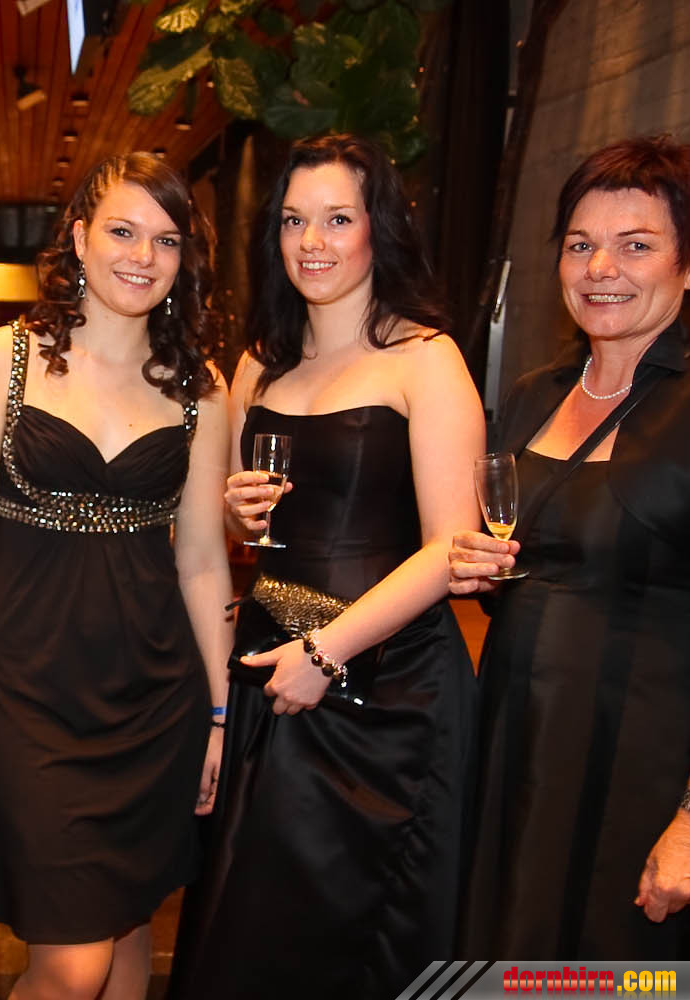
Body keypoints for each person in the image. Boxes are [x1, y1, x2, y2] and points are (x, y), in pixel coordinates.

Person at [450, 136, 690, 959]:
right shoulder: (534, 395)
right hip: (509, 749)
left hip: (635, 775)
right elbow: (548, 570)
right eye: (580, 245)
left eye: (636, 245)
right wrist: (483, 571)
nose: (601, 268)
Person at [168, 134, 483, 999]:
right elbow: (247, 530)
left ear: (379, 227)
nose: (312, 241)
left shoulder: (427, 358)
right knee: (255, 923)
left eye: (338, 219)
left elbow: (451, 546)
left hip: (385, 684)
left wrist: (326, 650)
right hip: (273, 665)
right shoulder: (258, 363)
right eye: (293, 220)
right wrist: (238, 513)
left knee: (357, 931)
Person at [0, 152, 232, 999]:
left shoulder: (200, 387)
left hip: (156, 693)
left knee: (130, 937)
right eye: (122, 231)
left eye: (166, 240)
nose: (143, 256)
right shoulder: (6, 356)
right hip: (30, 690)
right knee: (73, 967)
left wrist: (221, 714)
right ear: (78, 237)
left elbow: (202, 560)